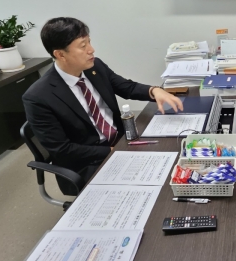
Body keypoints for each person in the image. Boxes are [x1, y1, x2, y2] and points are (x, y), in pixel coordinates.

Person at [22, 17, 183, 195]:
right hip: (89, 162)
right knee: (156, 188)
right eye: (83, 46)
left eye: (89, 42)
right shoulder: (38, 97)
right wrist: (112, 150)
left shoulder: (94, 67)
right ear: (60, 54)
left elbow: (125, 87)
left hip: (121, 141)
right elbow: (62, 150)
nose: (91, 50)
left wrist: (154, 90)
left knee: (175, 159)